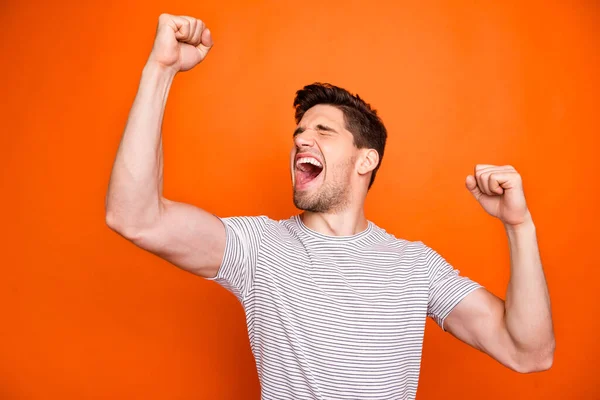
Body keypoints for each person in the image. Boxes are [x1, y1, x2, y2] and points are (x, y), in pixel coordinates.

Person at [105, 13, 555, 400]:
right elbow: (134, 216)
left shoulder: (415, 267)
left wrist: (519, 226)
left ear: (366, 159)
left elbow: (528, 353)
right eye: (299, 131)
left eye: (323, 130)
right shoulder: (260, 249)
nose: (302, 138)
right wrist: (161, 68)